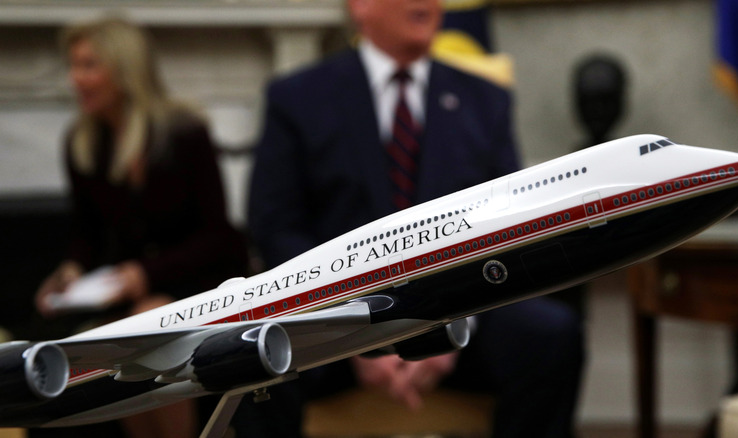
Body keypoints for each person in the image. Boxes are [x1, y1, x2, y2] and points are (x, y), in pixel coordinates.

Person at [245, 1, 584, 437]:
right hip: (331, 320)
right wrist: (348, 335)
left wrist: (455, 328)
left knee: (552, 335)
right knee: (252, 355)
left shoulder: (486, 100)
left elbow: (508, 228)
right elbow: (276, 224)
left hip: (461, 309)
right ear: (361, 7)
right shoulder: (297, 97)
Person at [34, 17, 247, 438]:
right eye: (73, 66)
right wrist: (70, 272)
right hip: (129, 295)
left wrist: (145, 274)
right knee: (122, 333)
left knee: (149, 323)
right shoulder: (83, 142)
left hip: (198, 287)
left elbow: (218, 238)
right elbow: (86, 236)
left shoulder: (185, 133)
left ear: (124, 69)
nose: (76, 78)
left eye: (88, 65)